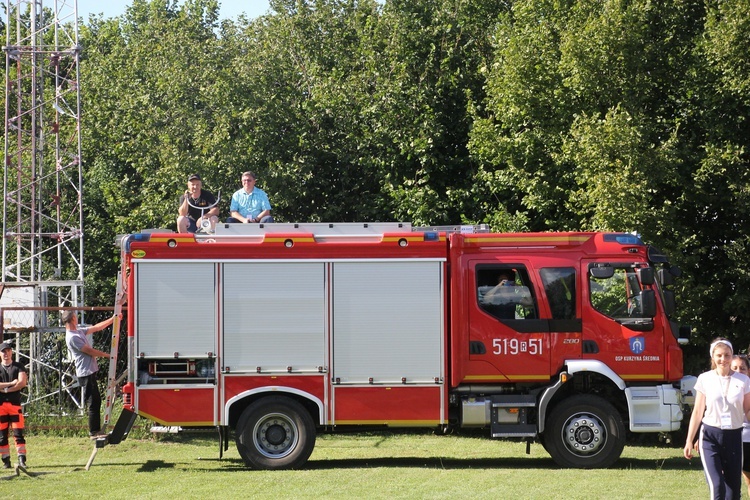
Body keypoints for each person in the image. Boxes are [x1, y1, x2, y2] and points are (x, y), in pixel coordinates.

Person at [684, 338, 750, 499]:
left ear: (731, 355)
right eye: (719, 355)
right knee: (717, 486)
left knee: (733, 491)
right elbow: (698, 411)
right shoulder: (705, 379)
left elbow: (747, 411)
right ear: (712, 357)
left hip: (734, 436)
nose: (723, 359)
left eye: (727, 355)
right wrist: (689, 440)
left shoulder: (743, 380)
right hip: (710, 436)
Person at [63, 311, 120, 438]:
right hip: (85, 372)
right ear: (73, 319)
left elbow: (96, 327)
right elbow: (89, 351)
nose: (77, 319)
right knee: (93, 401)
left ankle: (96, 430)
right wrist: (107, 355)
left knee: (96, 400)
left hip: (90, 371)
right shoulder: (72, 337)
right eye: (76, 317)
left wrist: (113, 319)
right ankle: (94, 432)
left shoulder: (78, 331)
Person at [0, 341, 27, 469]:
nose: (6, 353)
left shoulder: (18, 366)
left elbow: (22, 383)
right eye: (3, 351)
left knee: (18, 433)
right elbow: (15, 382)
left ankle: (22, 460)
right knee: (1, 435)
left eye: (8, 350)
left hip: (15, 406)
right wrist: (11, 383)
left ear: (11, 352)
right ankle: (6, 461)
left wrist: (6, 390)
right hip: (1, 407)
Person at [731, 354, 750, 498]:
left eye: (742, 368)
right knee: (733, 480)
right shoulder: (722, 388)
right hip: (732, 439)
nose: (738, 371)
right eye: (735, 368)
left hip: (748, 439)